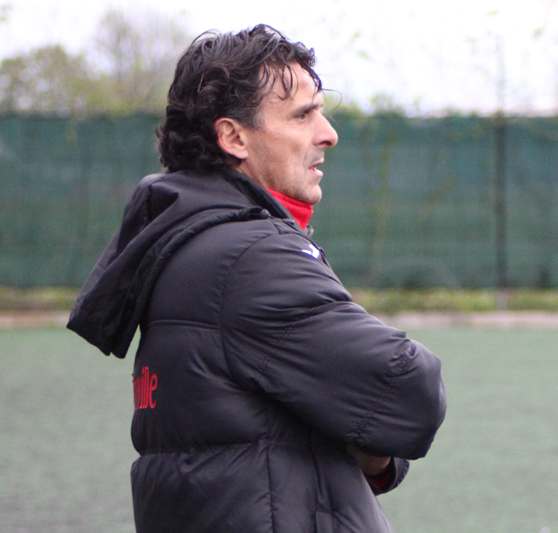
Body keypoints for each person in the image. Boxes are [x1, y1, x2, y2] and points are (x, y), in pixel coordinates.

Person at [68, 25, 446, 533]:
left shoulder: (186, 242)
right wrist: (366, 438)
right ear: (233, 137)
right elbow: (409, 390)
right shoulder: (248, 256)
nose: (328, 133)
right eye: (302, 115)